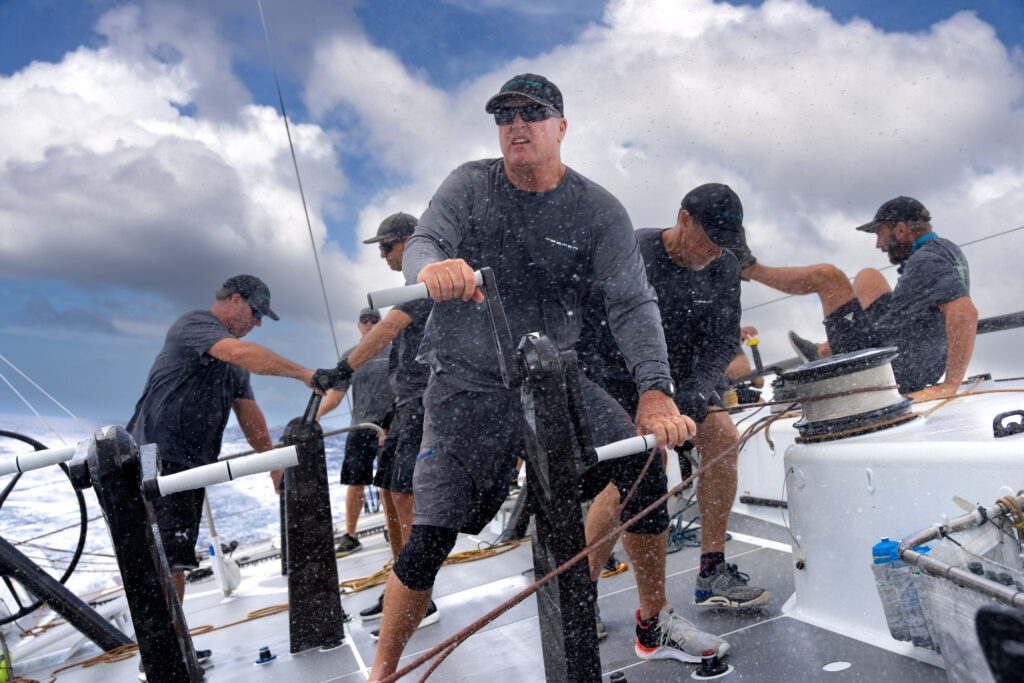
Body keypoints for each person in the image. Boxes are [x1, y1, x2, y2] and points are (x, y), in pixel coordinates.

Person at [368, 74, 728, 682]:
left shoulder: (598, 210)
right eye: (504, 116)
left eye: (531, 113)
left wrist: (654, 388)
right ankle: (382, 674)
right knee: (431, 536)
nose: (516, 125)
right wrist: (435, 267)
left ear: (560, 126)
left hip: (555, 377)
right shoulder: (468, 185)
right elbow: (423, 241)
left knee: (642, 466)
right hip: (465, 385)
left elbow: (632, 304)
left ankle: (652, 620)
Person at [578, 184, 771, 612]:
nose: (718, 253)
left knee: (722, 435)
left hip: (684, 381)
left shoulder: (725, 267)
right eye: (712, 240)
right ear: (683, 220)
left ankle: (712, 569)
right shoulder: (632, 253)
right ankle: (582, 595)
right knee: (642, 467)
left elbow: (723, 340)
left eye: (729, 244)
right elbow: (590, 333)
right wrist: (637, 399)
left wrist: (700, 389)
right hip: (619, 379)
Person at [126, 274, 318, 667]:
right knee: (164, 555)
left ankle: (170, 646)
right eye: (255, 313)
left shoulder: (233, 363)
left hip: (189, 463)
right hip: (157, 456)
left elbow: (248, 414)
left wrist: (273, 466)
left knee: (174, 553)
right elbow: (243, 355)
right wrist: (304, 375)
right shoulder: (196, 325)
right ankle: (162, 657)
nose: (257, 323)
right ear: (234, 300)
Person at [320, 211, 440, 633]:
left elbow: (388, 328)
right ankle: (399, 583)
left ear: (408, 240)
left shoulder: (422, 281)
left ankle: (419, 596)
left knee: (405, 493)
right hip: (405, 403)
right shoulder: (411, 286)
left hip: (424, 400)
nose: (383, 255)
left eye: (387, 246)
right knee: (389, 490)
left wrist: (342, 367)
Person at [741, 196, 977, 401]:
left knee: (827, 276)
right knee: (868, 277)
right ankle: (830, 349)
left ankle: (750, 269)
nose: (878, 245)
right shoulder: (946, 249)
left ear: (902, 230)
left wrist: (950, 385)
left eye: (880, 235)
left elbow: (965, 313)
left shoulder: (926, 261)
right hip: (914, 359)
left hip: (886, 368)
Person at [315, 307, 394, 556]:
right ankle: (350, 535)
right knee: (355, 483)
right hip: (360, 426)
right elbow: (336, 395)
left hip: (391, 425)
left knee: (389, 481)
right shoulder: (350, 357)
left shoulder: (395, 350)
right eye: (364, 320)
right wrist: (313, 418)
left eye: (374, 320)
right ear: (358, 325)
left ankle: (392, 527)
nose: (369, 323)